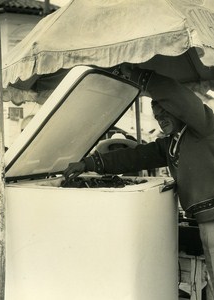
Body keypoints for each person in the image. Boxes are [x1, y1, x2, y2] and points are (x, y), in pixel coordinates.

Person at [63, 64, 214, 291]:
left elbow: (174, 93)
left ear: (179, 111)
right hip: (205, 220)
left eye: (165, 112)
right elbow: (136, 156)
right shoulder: (172, 143)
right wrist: (90, 163)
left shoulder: (202, 126)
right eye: (157, 115)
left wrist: (136, 75)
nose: (160, 119)